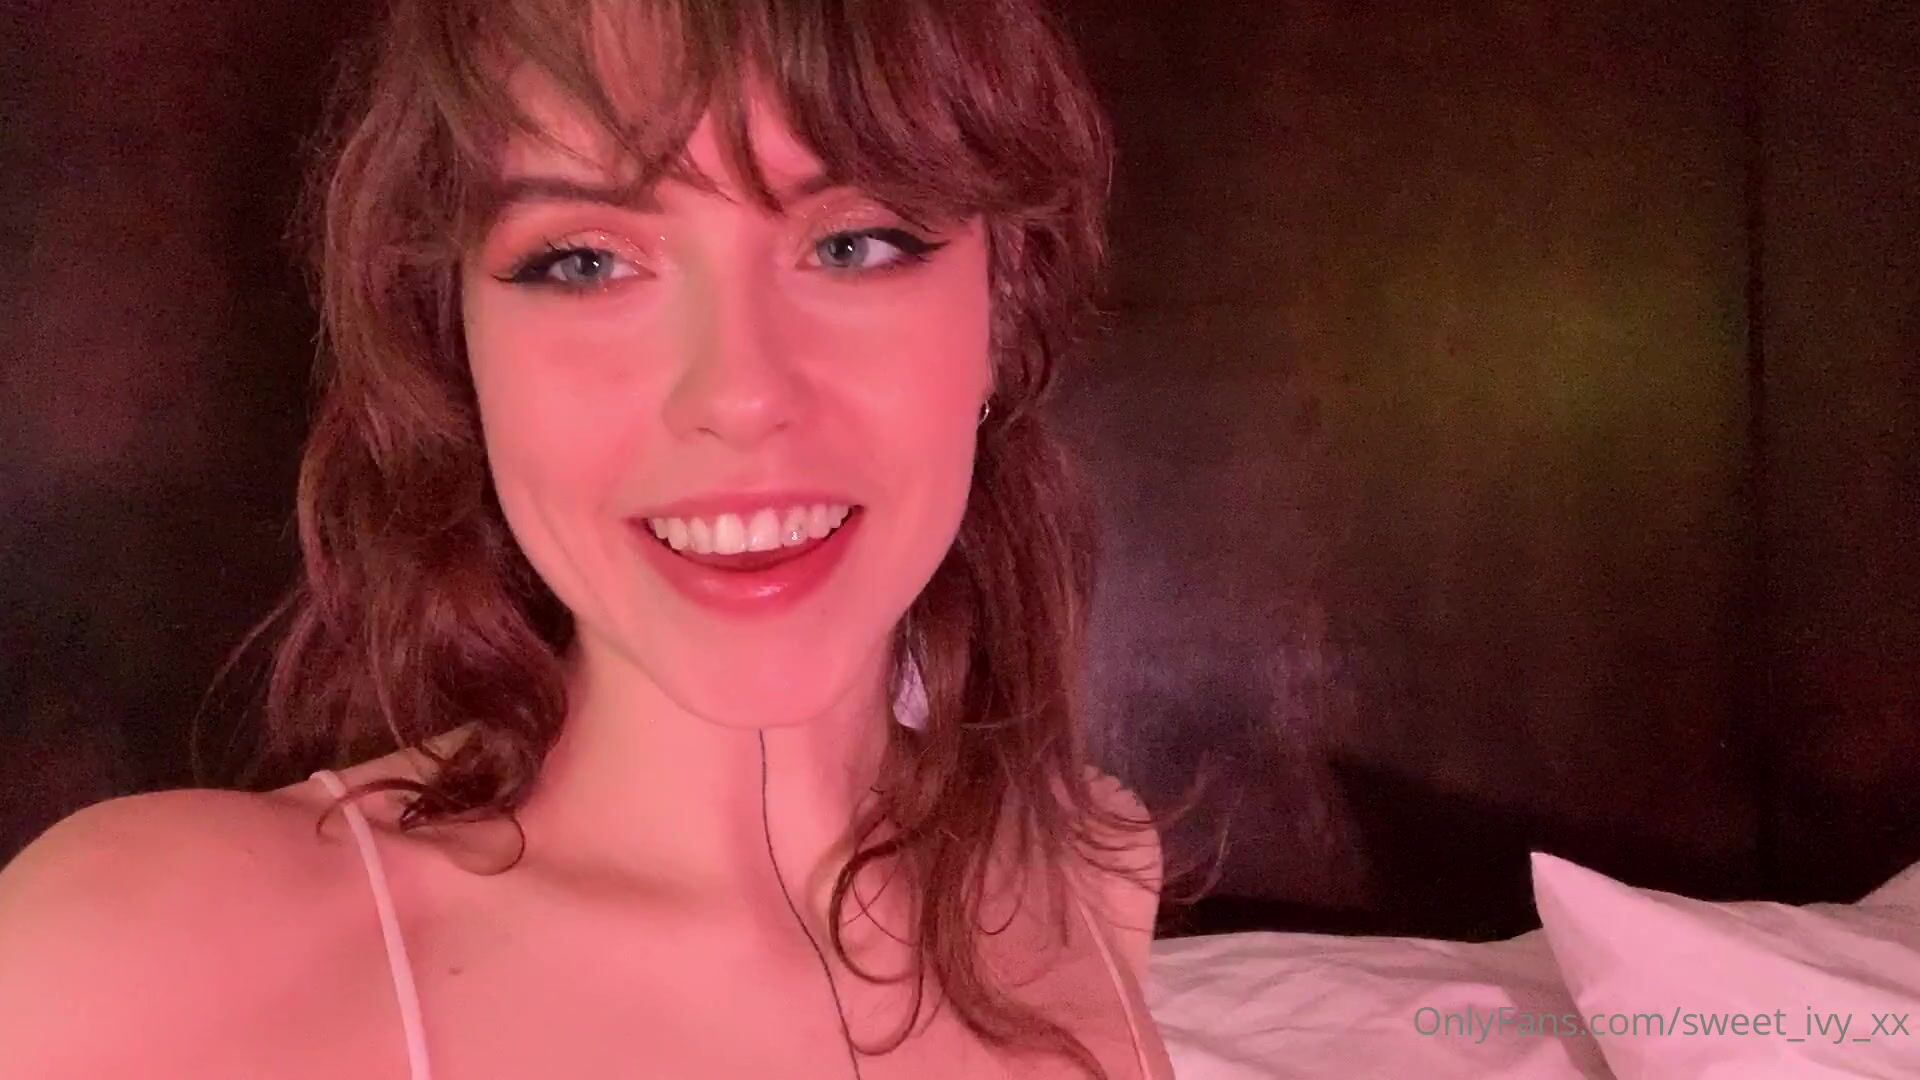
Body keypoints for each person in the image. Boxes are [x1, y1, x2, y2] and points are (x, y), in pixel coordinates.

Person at [0, 1, 1175, 1076]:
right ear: (457, 350)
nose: (740, 394)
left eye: (856, 242)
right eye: (586, 261)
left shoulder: (1096, 870)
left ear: (1003, 305)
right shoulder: (135, 970)